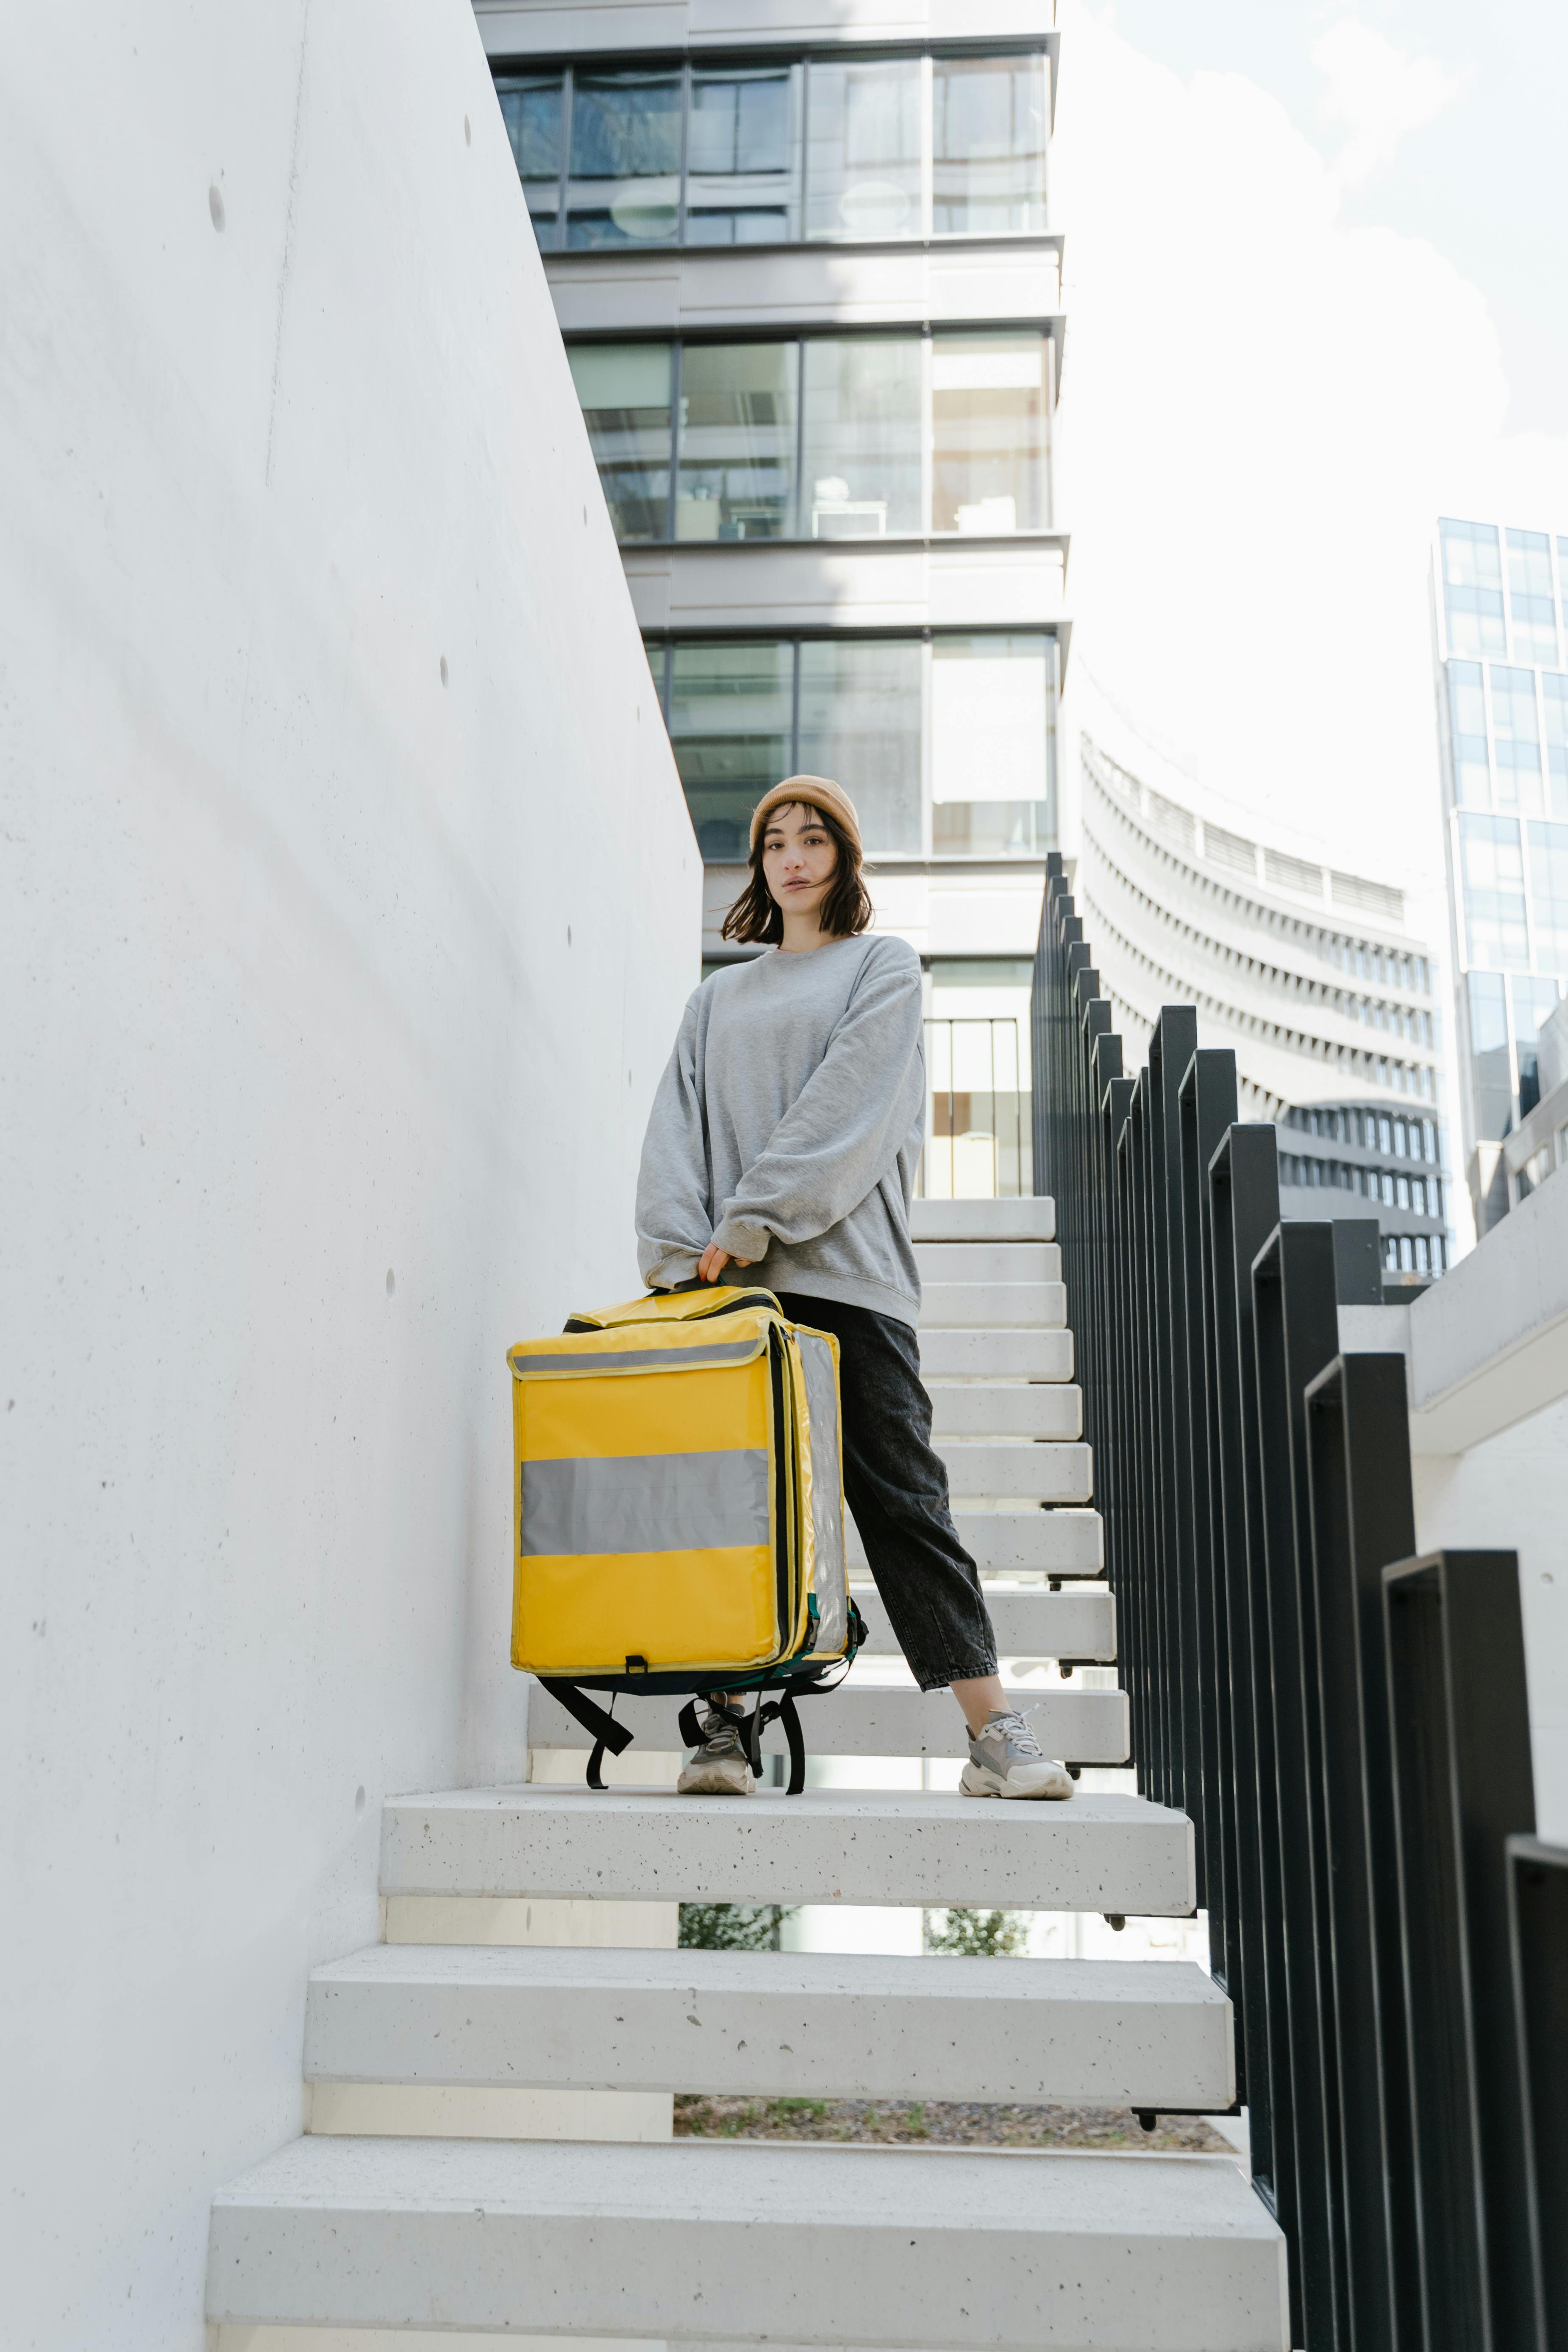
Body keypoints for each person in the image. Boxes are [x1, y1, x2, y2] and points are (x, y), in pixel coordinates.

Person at [635, 774, 1074, 1803]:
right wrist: (674, 1249)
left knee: (903, 1504)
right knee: (740, 1511)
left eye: (812, 839)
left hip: (851, 1282)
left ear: (843, 858)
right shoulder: (716, 999)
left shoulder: (883, 968)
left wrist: (751, 1221)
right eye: (774, 842)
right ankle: (727, 1730)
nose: (791, 857)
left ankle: (991, 1731)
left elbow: (850, 1110)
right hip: (725, 1292)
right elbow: (672, 1132)